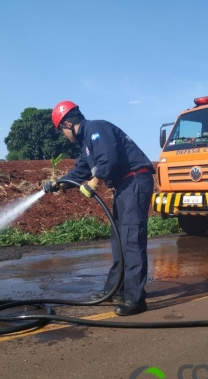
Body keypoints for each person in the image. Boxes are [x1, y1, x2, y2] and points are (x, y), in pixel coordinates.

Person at [43, 101, 155, 316]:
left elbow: (108, 158)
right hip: (124, 186)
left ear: (67, 123)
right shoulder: (86, 144)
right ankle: (117, 290)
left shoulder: (96, 128)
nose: (64, 135)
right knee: (119, 240)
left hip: (134, 181)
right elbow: (80, 170)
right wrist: (60, 183)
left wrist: (95, 183)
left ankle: (136, 299)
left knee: (131, 240)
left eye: (61, 131)